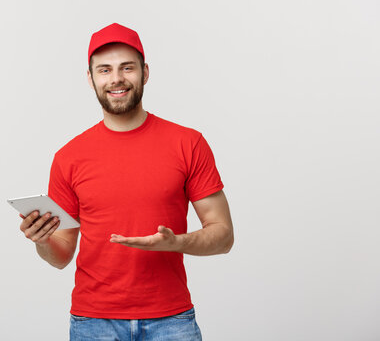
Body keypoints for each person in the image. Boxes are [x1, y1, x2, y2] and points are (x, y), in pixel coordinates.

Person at [19, 23, 234, 341]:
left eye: (127, 67)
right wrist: (42, 240)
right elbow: (61, 254)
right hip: (94, 323)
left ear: (145, 73)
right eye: (104, 70)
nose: (116, 78)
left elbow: (223, 235)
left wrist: (177, 243)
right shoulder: (68, 157)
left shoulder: (188, 143)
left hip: (171, 321)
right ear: (90, 78)